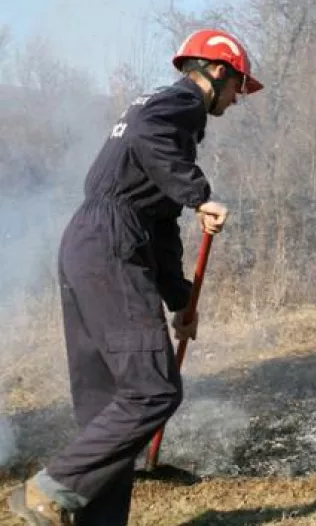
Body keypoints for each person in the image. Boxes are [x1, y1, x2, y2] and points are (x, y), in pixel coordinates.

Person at [6, 28, 264, 526]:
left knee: (107, 411)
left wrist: (180, 300)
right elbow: (153, 141)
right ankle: (49, 489)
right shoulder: (181, 105)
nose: (237, 99)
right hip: (111, 245)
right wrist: (199, 194)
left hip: (88, 243)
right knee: (154, 390)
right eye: (238, 87)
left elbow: (160, 226)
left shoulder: (161, 118)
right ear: (217, 72)